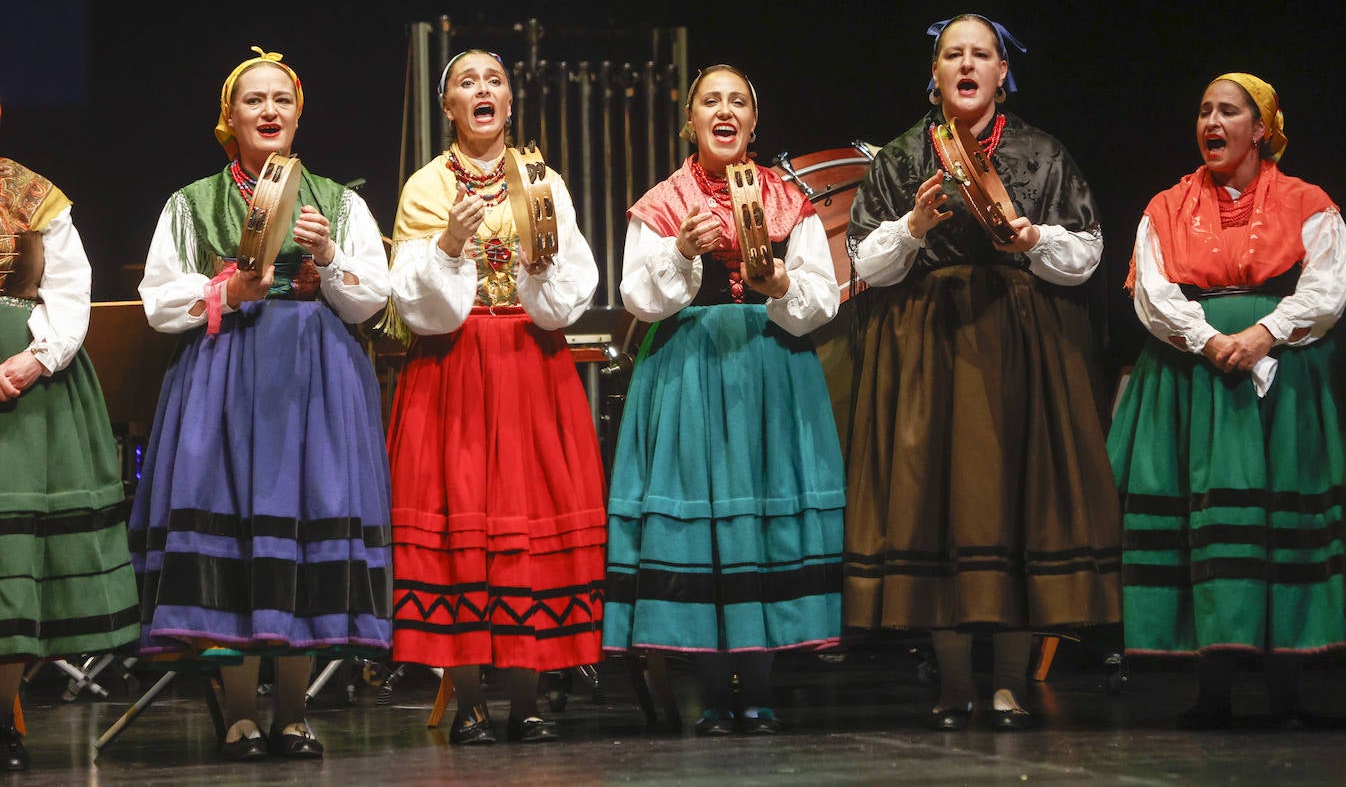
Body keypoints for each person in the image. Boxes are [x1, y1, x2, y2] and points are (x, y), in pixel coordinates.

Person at [843, 15, 1122, 731]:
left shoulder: (1038, 153)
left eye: (981, 55)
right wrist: (912, 227)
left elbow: (1088, 250)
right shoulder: (904, 157)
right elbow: (864, 263)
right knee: (939, 503)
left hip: (1018, 343)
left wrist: (1032, 239)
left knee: (1017, 500)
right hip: (930, 346)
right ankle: (954, 682)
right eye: (952, 54)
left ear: (1003, 72)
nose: (966, 65)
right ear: (933, 74)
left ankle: (1011, 683)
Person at [130, 48, 394, 761]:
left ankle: (296, 712)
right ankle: (240, 711)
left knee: (304, 528)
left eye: (282, 99)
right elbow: (157, 302)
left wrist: (332, 257)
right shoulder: (190, 203)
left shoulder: (339, 200)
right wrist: (225, 293)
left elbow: (373, 299)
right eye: (254, 100)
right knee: (238, 533)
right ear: (230, 117)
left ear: (299, 112)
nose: (270, 110)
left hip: (315, 380)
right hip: (224, 375)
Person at [603, 64, 846, 737]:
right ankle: (713, 692)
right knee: (706, 521)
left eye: (738, 100)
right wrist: (681, 252)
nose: (725, 109)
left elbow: (821, 299)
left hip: (769, 367)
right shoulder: (663, 204)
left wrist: (777, 285)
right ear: (691, 121)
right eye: (711, 99)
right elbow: (639, 299)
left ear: (753, 122)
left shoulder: (786, 200)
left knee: (762, 518)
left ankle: (760, 688)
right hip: (690, 373)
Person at [1111, 73, 1346, 728]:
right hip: (1194, 378)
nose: (1210, 122)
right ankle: (1210, 692)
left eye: (1228, 112)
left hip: (1283, 380)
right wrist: (1207, 338)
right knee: (1202, 525)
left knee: (1277, 523)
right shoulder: (1168, 205)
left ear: (1262, 129)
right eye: (1203, 111)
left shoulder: (1307, 202)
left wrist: (1264, 331)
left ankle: (1286, 694)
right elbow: (1153, 291)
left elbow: (1328, 287)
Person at [387, 49, 604, 745]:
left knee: (529, 526)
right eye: (466, 82)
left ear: (509, 103)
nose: (482, 91)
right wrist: (450, 242)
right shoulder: (424, 187)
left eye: (494, 81)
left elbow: (573, 281)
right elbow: (412, 300)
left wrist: (545, 270)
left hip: (529, 363)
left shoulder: (541, 179)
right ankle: (470, 700)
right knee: (463, 525)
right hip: (454, 366)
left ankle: (528, 697)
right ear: (447, 105)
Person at [0, 105, 141, 772]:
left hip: (26, 392)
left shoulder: (35, 194)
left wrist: (38, 357)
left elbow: (70, 288)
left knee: (14, 566)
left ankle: (4, 717)